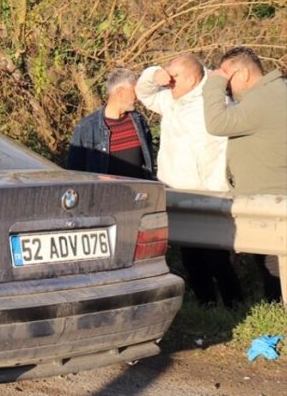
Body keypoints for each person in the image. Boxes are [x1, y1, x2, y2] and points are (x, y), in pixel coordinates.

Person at [137, 54, 241, 308]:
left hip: (210, 193)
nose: (169, 82)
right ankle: (206, 302)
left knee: (216, 256)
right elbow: (143, 92)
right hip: (176, 191)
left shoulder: (215, 101)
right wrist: (154, 74)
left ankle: (234, 303)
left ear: (193, 78)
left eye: (174, 77)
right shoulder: (170, 100)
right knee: (190, 256)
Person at [203, 46, 287, 301]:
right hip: (270, 199)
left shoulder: (264, 99)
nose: (226, 88)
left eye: (227, 80)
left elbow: (216, 123)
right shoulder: (273, 92)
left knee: (275, 270)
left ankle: (277, 323)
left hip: (272, 202)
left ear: (242, 73)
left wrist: (213, 84)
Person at [67, 68, 154, 178]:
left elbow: (147, 164)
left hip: (138, 193)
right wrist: (97, 178)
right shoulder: (87, 128)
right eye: (134, 92)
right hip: (105, 193)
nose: (137, 97)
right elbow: (74, 172)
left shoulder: (139, 121)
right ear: (120, 93)